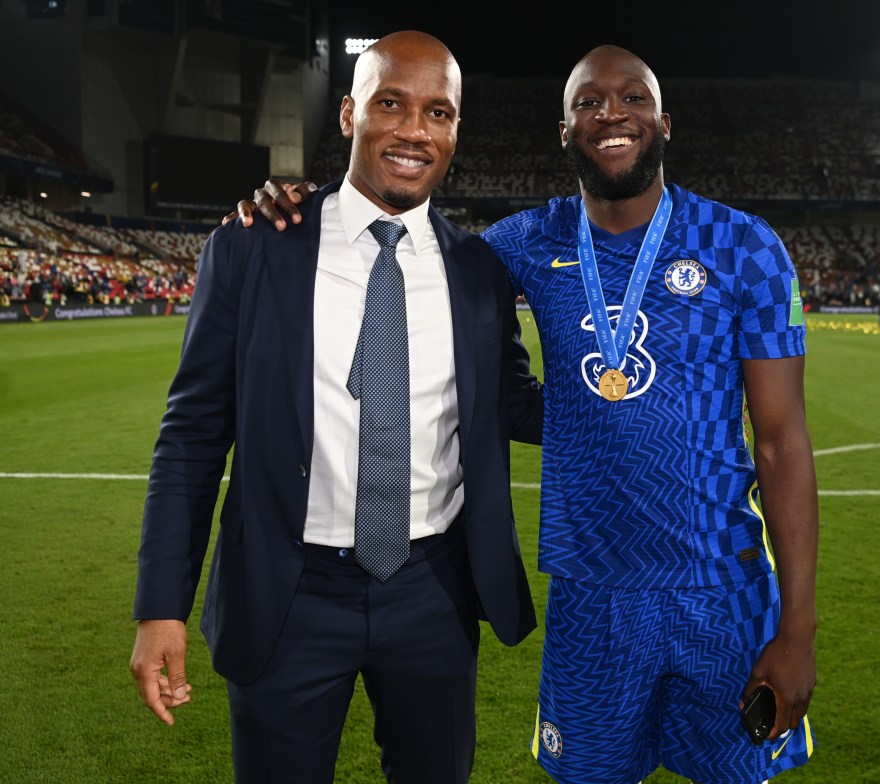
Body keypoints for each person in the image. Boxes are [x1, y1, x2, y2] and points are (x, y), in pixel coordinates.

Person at [237, 44, 819, 784]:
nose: (611, 113)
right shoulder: (522, 243)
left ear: (664, 123)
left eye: (633, 99)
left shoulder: (745, 247)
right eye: (589, 103)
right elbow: (404, 254)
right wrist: (291, 202)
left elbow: (781, 442)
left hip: (723, 590)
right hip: (590, 593)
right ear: (565, 131)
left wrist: (797, 626)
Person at [130, 30, 543, 784]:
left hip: (434, 590)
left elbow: (517, 404)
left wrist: (650, 392)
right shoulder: (257, 243)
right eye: (393, 104)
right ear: (350, 114)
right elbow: (191, 433)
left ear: (455, 131)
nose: (415, 129)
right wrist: (161, 606)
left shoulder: (478, 272)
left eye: (438, 113)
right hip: (286, 594)